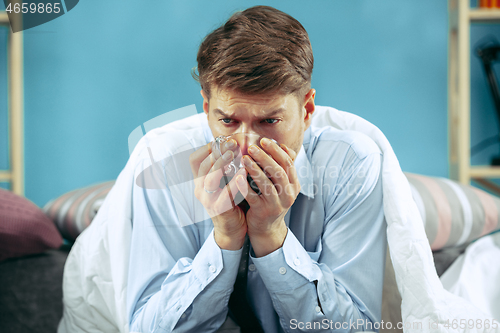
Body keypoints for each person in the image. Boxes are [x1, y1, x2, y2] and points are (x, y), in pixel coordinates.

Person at [126, 6, 386, 333]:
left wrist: (273, 235)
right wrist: (224, 237)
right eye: (228, 121)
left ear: (306, 110)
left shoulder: (350, 164)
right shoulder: (163, 159)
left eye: (269, 121)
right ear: (207, 110)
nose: (247, 146)